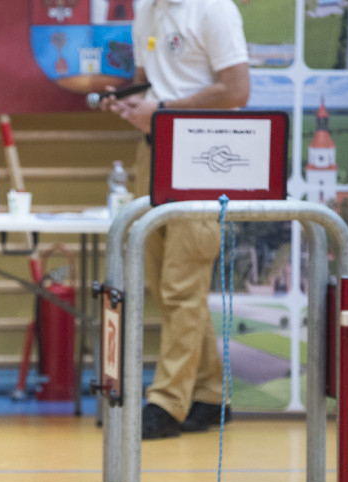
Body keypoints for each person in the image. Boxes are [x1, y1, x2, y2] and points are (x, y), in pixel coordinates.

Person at [101, 0, 250, 439]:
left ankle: (166, 402)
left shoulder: (214, 10)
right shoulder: (147, 11)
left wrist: (164, 108)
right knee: (165, 283)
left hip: (204, 153)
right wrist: (131, 101)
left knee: (183, 285)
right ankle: (209, 394)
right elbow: (149, 82)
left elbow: (236, 91)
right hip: (154, 149)